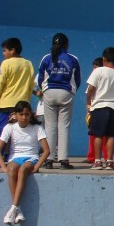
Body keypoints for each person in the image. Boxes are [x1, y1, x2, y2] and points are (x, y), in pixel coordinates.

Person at [0, 101, 50, 225]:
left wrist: (36, 167)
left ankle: (13, 208)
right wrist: (4, 167)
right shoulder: (9, 127)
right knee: (12, 169)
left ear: (31, 115)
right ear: (15, 115)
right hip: (15, 158)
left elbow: (46, 150)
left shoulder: (37, 128)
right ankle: (17, 210)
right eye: (21, 114)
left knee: (23, 169)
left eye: (27, 114)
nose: (24, 117)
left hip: (31, 158)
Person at [37, 33, 81, 170]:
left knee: (50, 126)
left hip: (49, 92)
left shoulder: (46, 58)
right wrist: (72, 91)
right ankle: (63, 160)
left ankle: (48, 160)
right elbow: (77, 79)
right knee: (64, 126)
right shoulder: (72, 59)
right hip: (66, 93)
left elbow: (40, 78)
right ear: (66, 44)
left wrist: (44, 90)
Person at [0, 38, 35, 168]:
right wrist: (26, 102)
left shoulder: (6, 64)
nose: (3, 53)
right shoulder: (28, 64)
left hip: (6, 104)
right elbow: (31, 85)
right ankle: (9, 157)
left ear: (12, 50)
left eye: (5, 50)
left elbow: (0, 84)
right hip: (22, 105)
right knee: (17, 133)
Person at [86, 48, 114, 170]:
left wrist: (88, 102)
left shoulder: (98, 71)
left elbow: (91, 88)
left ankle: (97, 162)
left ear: (104, 59)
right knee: (110, 135)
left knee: (98, 135)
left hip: (99, 107)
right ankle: (110, 162)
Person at [85, 57, 107, 164]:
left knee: (105, 136)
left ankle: (107, 157)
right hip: (93, 110)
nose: (94, 70)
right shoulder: (92, 80)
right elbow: (88, 94)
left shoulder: (105, 79)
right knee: (92, 135)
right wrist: (88, 108)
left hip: (103, 109)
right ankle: (92, 157)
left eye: (96, 67)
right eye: (93, 67)